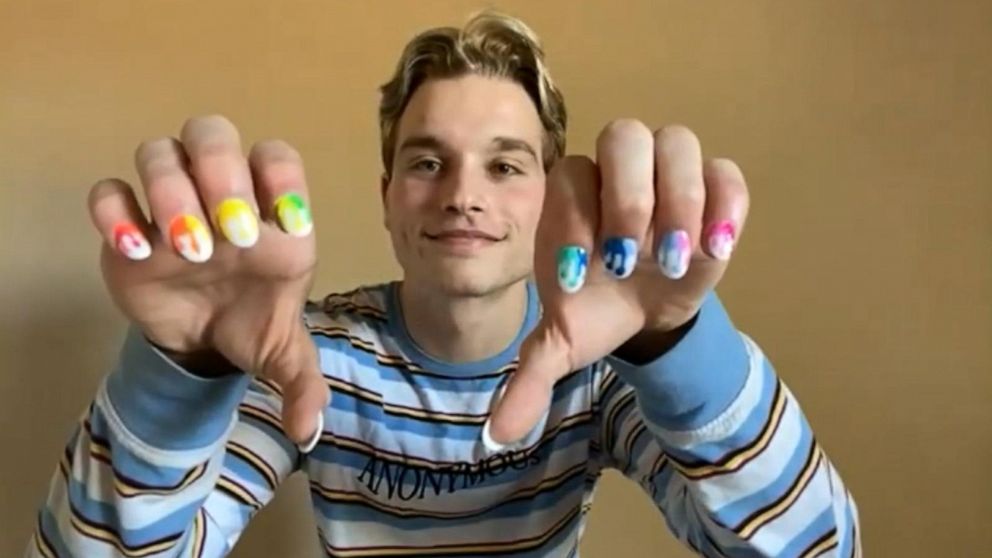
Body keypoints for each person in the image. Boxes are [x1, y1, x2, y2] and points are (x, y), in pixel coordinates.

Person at [28, 11, 861, 558]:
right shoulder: (314, 358)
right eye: (427, 162)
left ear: (549, 194)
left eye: (505, 165)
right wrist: (181, 372)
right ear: (388, 196)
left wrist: (674, 341)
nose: (463, 195)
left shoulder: (604, 368)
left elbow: (822, 550)